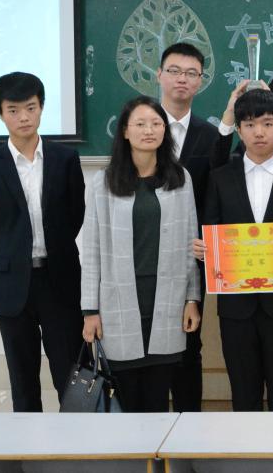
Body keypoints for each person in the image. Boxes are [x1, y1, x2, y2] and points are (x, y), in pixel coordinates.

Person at [193, 89, 273, 411]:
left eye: (267, 123)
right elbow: (211, 228)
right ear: (239, 130)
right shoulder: (220, 178)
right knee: (244, 390)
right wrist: (204, 250)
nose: (259, 132)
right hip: (237, 306)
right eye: (250, 125)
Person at [0, 72, 85, 412]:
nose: (23, 117)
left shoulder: (65, 159)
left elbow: (74, 214)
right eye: (13, 110)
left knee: (71, 375)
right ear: (0, 113)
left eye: (31, 108)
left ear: (42, 108)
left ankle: (78, 440)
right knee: (23, 379)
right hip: (12, 284)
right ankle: (27, 442)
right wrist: (6, 264)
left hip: (59, 278)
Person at [81, 96, 202, 412]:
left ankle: (157, 448)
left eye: (156, 123)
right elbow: (91, 250)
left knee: (158, 399)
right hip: (118, 302)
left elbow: (191, 244)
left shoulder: (180, 179)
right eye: (140, 124)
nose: (149, 130)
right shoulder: (103, 182)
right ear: (124, 131)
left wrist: (193, 298)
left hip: (167, 300)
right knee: (127, 399)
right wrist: (90, 310)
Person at [155, 42, 220, 413]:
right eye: (174, 71)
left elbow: (213, 197)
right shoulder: (139, 127)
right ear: (159, 75)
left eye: (191, 73)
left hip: (191, 257)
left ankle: (188, 423)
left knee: (188, 343)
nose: (182, 79)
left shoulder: (210, 136)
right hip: (144, 255)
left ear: (200, 81)